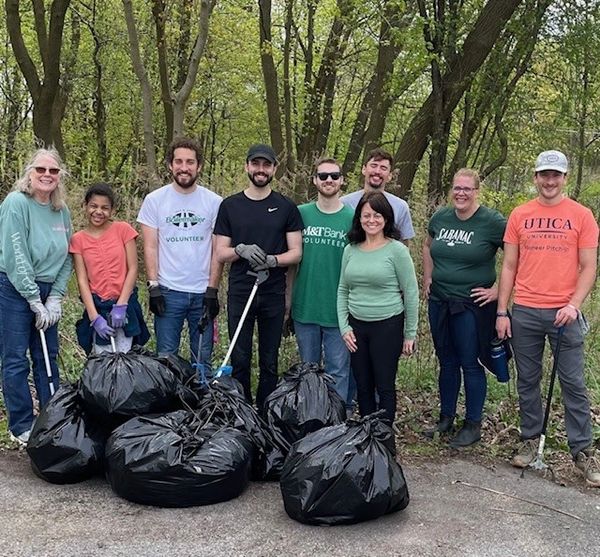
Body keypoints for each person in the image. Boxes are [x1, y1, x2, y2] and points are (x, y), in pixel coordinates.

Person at [496, 150, 599, 487]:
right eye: (544, 174)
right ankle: (529, 438)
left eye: (556, 175)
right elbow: (509, 265)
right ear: (536, 177)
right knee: (527, 380)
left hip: (564, 313)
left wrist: (573, 304)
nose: (550, 181)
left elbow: (588, 267)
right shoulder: (520, 214)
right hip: (524, 310)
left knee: (573, 383)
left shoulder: (582, 216)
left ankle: (582, 451)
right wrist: (502, 310)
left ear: (565, 178)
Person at [214, 144, 303, 409]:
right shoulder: (230, 206)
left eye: (266, 165)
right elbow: (221, 252)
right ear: (247, 166)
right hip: (241, 290)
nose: (260, 170)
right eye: (256, 164)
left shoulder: (287, 207)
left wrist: (274, 260)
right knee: (239, 356)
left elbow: (296, 253)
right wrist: (239, 250)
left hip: (272, 291)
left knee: (269, 359)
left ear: (274, 169)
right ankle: (242, 412)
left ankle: (266, 413)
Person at [423, 169, 507, 448]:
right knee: (446, 361)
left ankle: (473, 424)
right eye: (457, 188)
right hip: (439, 301)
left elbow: (517, 257)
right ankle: (446, 418)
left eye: (467, 189)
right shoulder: (441, 217)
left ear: (476, 192)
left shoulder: (492, 222)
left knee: (470, 363)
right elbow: (427, 244)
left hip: (471, 305)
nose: (461, 193)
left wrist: (500, 291)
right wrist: (428, 277)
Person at [0, 147, 72, 446]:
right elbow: (16, 253)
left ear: (59, 176)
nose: (47, 175)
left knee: (47, 356)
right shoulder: (16, 203)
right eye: (41, 170)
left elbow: (70, 255)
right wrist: (32, 298)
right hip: (15, 288)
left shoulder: (61, 210)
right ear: (30, 173)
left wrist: (54, 297)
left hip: (47, 288)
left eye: (53, 171)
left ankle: (51, 420)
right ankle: (21, 425)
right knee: (16, 358)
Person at [137, 137, 222, 374]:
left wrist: (213, 291)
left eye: (190, 162)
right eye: (179, 161)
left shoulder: (214, 202)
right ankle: (171, 409)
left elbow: (218, 249)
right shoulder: (154, 200)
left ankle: (204, 408)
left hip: (202, 293)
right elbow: (150, 246)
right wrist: (153, 286)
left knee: (202, 362)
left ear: (199, 166)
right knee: (166, 360)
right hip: (168, 291)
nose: (184, 167)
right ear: (170, 165)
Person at [337, 191, 418, 424]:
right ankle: (367, 437)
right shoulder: (350, 249)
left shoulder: (396, 251)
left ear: (386, 218)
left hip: (388, 325)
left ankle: (384, 439)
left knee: (384, 386)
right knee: (362, 386)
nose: (371, 220)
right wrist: (344, 327)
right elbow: (343, 290)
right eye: (366, 215)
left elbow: (411, 293)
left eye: (377, 215)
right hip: (356, 328)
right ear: (359, 219)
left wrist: (410, 334)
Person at [287, 157, 354, 409]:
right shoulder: (301, 214)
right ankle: (311, 418)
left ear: (342, 181)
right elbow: (292, 263)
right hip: (306, 306)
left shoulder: (352, 218)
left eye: (334, 176)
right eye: (323, 176)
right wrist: (288, 301)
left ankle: (338, 422)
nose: (329, 180)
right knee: (308, 371)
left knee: (339, 372)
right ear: (314, 180)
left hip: (338, 311)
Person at [70, 183, 149, 354]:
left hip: (124, 305)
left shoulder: (123, 230)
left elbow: (133, 268)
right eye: (94, 206)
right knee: (103, 362)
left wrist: (122, 305)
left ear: (112, 210)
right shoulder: (78, 240)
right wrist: (94, 317)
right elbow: (82, 281)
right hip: (98, 306)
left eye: (105, 208)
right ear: (85, 206)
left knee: (127, 359)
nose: (99, 212)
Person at [340, 147, 414, 245]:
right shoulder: (344, 203)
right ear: (364, 169)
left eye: (383, 168)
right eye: (374, 165)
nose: (378, 171)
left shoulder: (400, 206)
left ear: (390, 176)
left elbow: (404, 245)